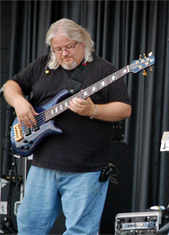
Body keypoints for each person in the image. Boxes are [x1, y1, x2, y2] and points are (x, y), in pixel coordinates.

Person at [3, 18, 132, 234]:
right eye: (57, 49)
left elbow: (124, 109)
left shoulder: (104, 70)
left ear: (82, 42)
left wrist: (94, 111)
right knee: (28, 226)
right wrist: (19, 102)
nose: (63, 54)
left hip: (87, 169)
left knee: (80, 231)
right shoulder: (43, 64)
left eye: (68, 47)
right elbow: (10, 85)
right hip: (43, 166)